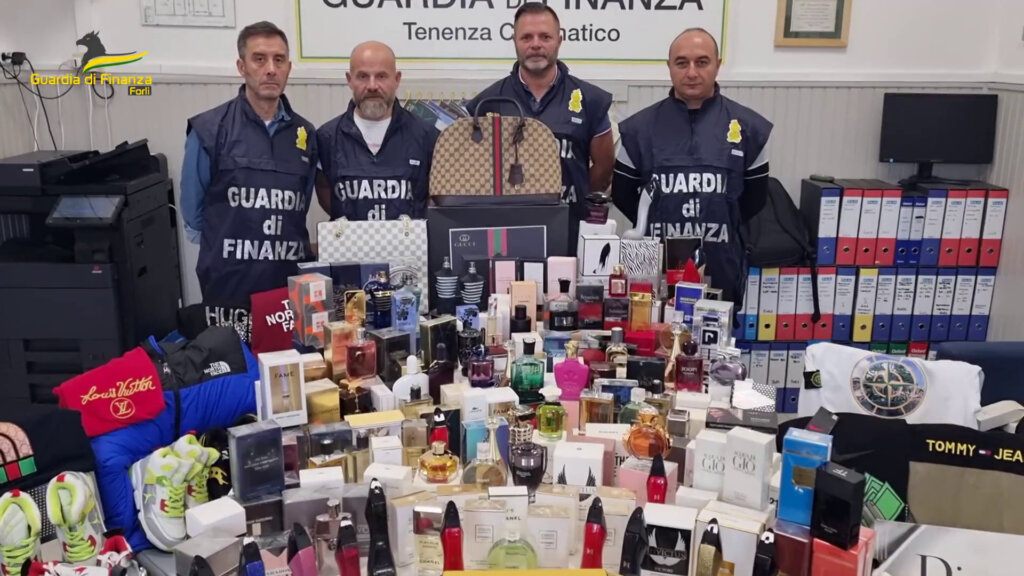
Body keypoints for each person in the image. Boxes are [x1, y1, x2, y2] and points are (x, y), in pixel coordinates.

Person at [612, 27, 772, 304]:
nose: (692, 72)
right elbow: (623, 194)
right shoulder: (638, 129)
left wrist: (717, 223)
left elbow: (755, 199)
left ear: (717, 65)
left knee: (716, 330)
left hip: (721, 263)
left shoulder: (749, 128)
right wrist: (658, 222)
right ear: (669, 67)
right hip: (655, 264)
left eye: (702, 62)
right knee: (650, 328)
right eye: (682, 63)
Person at [181, 21, 317, 307]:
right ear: (241, 67)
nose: (271, 69)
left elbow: (299, 205)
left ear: (289, 68)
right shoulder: (208, 130)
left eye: (279, 60)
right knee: (228, 340)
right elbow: (194, 217)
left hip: (288, 285)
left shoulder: (305, 134)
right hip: (229, 285)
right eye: (259, 59)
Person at [467, 4, 615, 243]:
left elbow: (604, 167)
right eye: (526, 37)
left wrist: (576, 195)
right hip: (505, 232)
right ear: (514, 41)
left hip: (570, 230)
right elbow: (474, 172)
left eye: (545, 37)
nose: (535, 44)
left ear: (559, 40)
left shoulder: (590, 100)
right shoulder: (487, 102)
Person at [315, 41, 439, 221]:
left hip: (408, 240)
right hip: (349, 240)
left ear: (397, 79)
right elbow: (323, 189)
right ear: (349, 80)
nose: (372, 86)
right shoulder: (327, 138)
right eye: (363, 76)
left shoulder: (427, 137)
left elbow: (434, 198)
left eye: (381, 76)